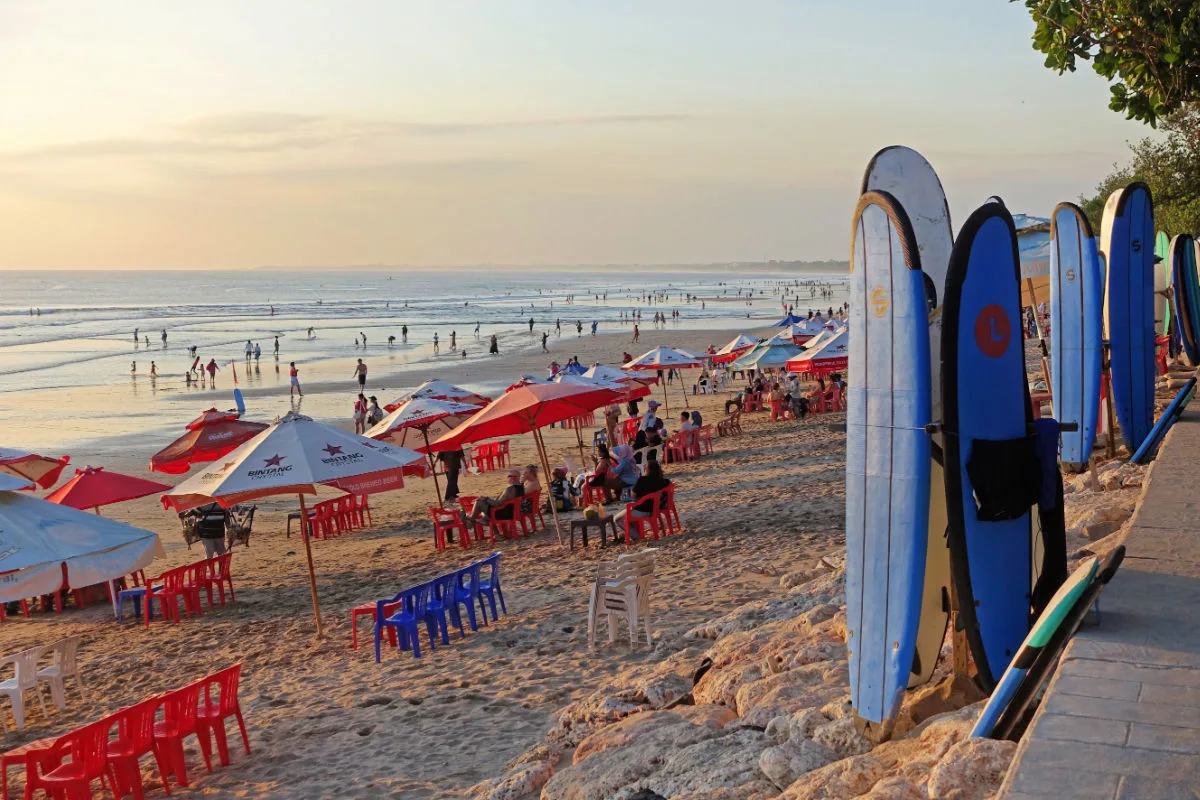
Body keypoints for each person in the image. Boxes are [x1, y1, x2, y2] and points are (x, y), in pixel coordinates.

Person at [614, 460, 671, 533]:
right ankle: (637, 533)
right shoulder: (663, 481)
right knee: (630, 512)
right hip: (655, 510)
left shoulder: (642, 480)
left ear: (647, 470)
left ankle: (635, 535)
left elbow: (632, 495)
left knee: (617, 519)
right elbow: (670, 484)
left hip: (642, 510)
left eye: (645, 467)